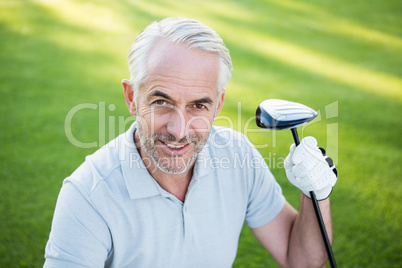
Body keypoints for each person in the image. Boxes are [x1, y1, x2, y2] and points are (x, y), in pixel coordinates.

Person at [44, 17, 337, 267]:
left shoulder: (238, 155)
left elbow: (301, 259)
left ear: (218, 105)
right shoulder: (87, 196)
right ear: (132, 98)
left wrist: (317, 194)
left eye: (198, 106)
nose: (179, 130)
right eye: (162, 101)